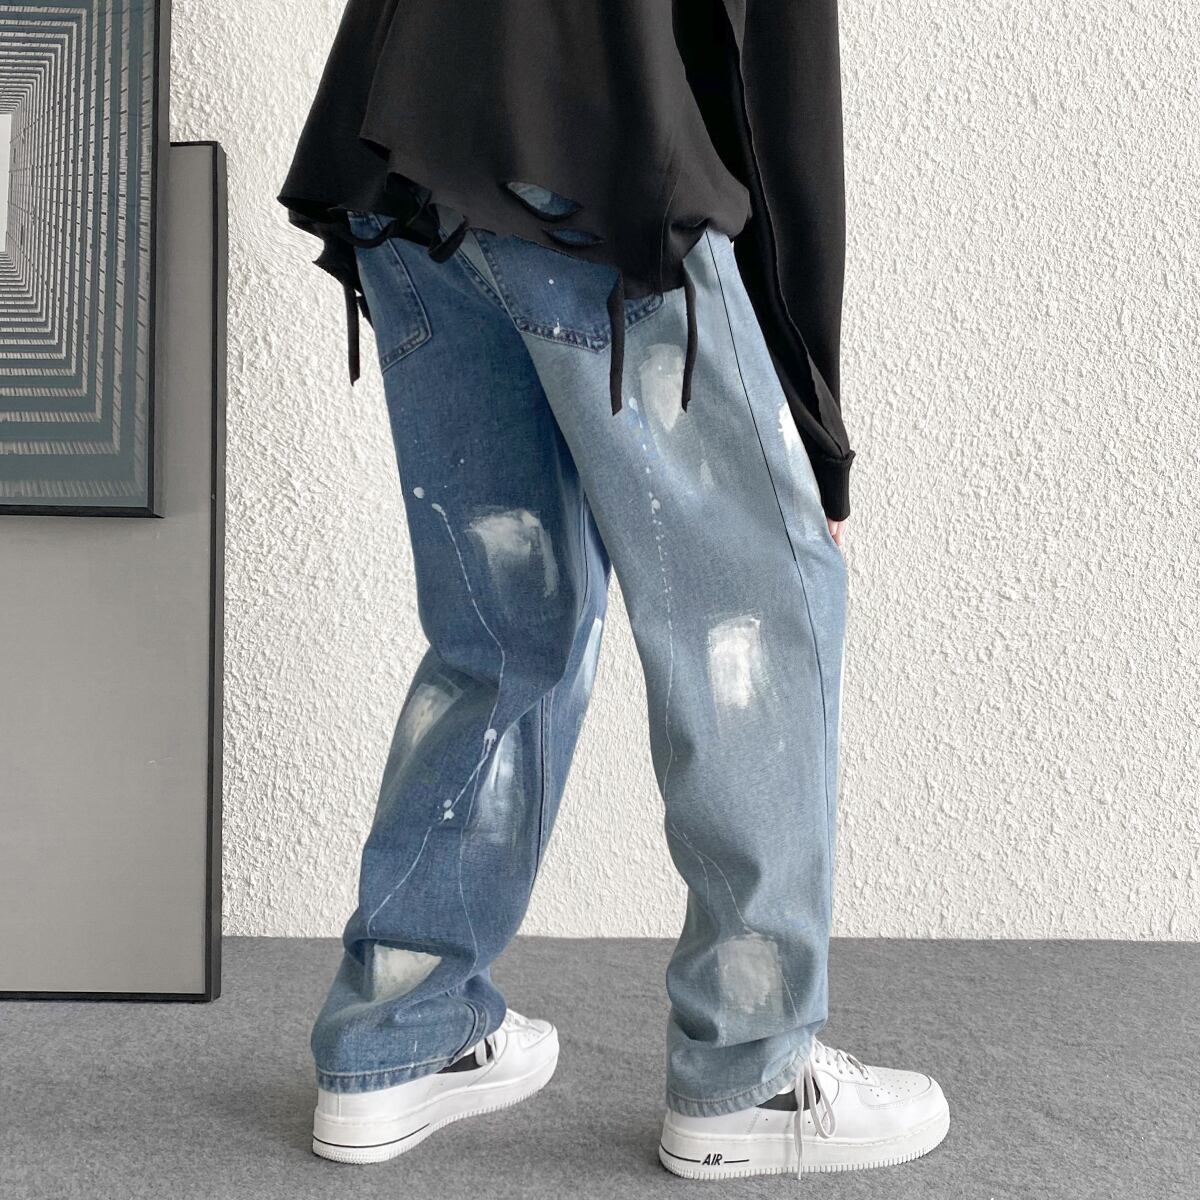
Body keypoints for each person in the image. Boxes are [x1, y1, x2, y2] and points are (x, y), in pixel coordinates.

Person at [279, 0, 950, 1180]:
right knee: (758, 608)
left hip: (399, 167)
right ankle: (752, 1071)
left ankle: (399, 1031)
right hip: (589, 168)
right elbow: (778, 90)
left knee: (502, 627)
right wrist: (817, 432)